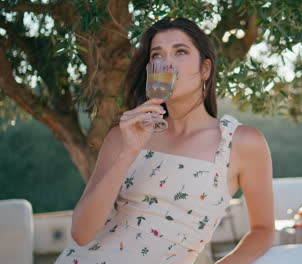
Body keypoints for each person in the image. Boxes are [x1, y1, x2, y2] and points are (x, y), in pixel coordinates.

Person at [54, 17, 275, 264]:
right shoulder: (124, 135)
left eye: (180, 51)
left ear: (205, 69)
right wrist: (128, 153)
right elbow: (81, 234)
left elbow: (264, 230)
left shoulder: (239, 143)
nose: (166, 62)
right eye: (157, 56)